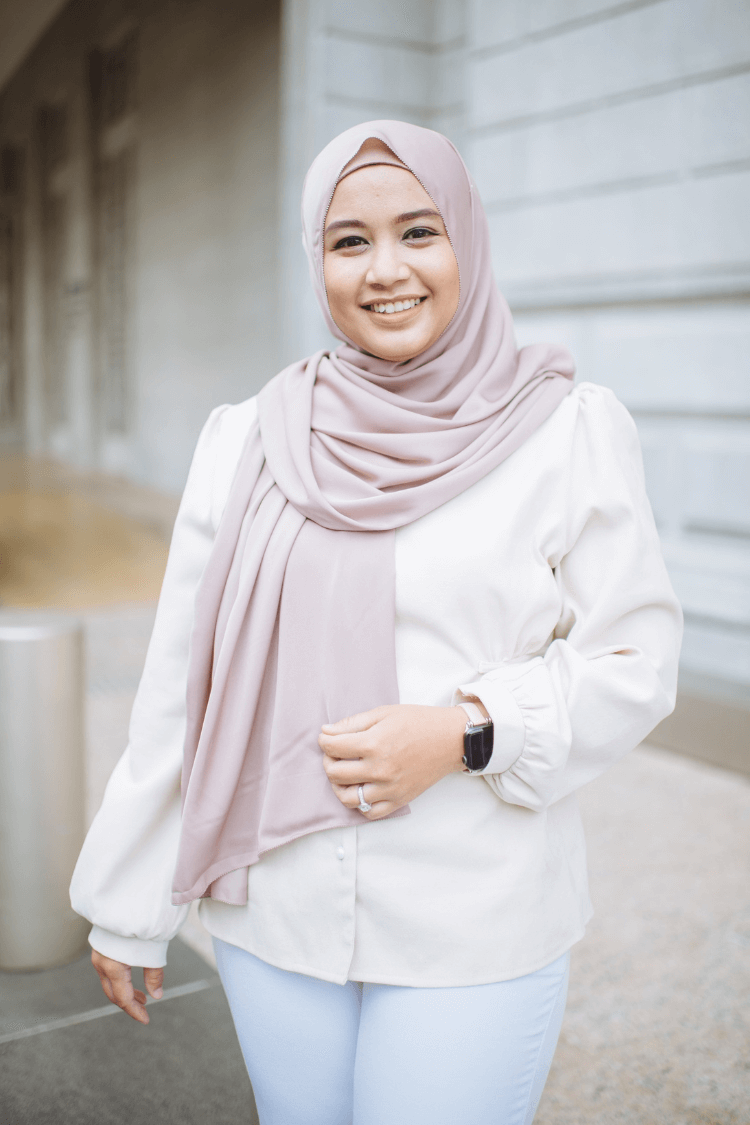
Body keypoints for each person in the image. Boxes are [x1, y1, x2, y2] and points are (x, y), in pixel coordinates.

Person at [70, 121, 682, 1125]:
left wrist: (465, 729)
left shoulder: (570, 431)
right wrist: (131, 906)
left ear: (467, 243)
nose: (385, 270)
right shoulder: (249, 438)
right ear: (316, 260)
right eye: (348, 241)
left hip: (472, 917)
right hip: (276, 916)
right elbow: (189, 683)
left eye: (419, 232)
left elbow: (636, 661)